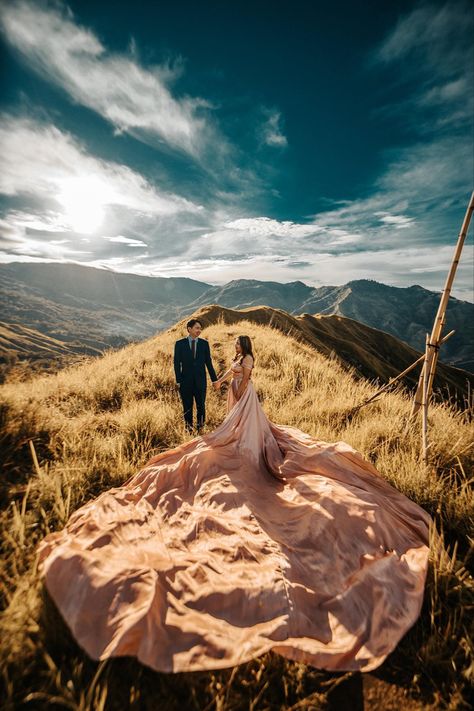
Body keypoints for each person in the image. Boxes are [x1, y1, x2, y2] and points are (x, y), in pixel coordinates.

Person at [37, 334, 431, 676]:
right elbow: (231, 377)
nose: (235, 349)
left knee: (246, 448)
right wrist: (223, 379)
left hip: (245, 401)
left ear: (244, 348)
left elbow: (240, 380)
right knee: (223, 445)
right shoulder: (237, 360)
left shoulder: (246, 361)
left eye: (237, 346)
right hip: (239, 398)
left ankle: (252, 454)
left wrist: (227, 379)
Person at [173, 318, 217, 433]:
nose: (199, 330)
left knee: (201, 406)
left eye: (200, 328)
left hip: (200, 382)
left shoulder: (204, 344)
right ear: (189, 329)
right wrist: (178, 380)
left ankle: (201, 429)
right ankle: (188, 430)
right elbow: (176, 363)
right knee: (187, 408)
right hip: (185, 382)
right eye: (197, 328)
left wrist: (215, 380)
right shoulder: (179, 344)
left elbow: (208, 363)